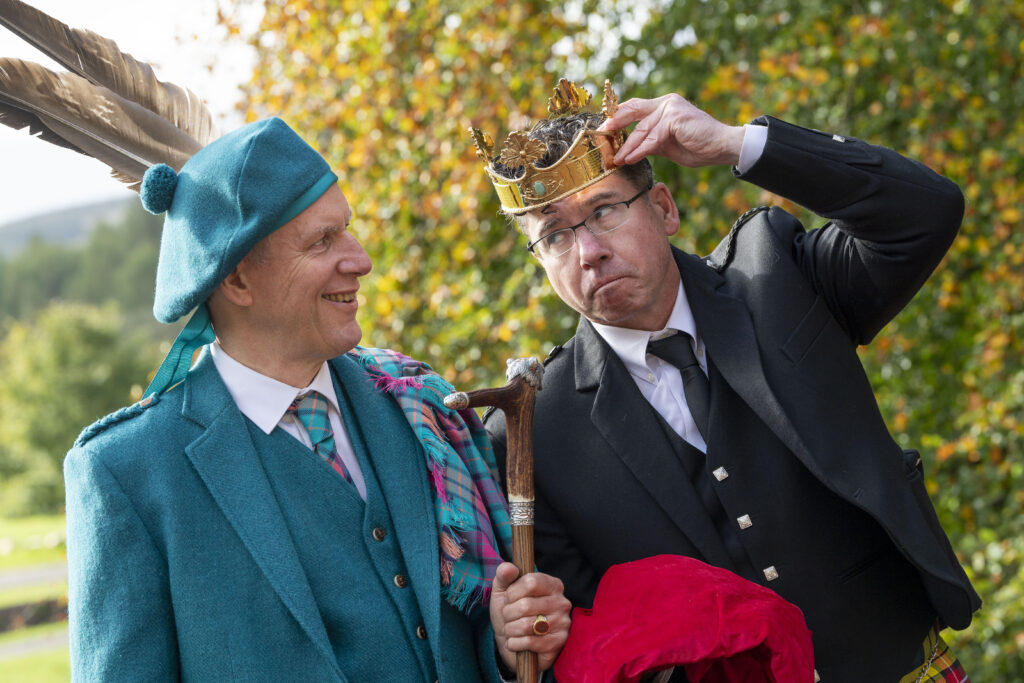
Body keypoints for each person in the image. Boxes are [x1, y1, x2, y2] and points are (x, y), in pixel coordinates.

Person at [476, 79, 979, 682]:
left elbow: (924, 211)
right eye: (555, 236)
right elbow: (583, 648)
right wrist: (515, 647)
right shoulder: (534, 431)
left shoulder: (776, 274)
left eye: (603, 211)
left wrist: (736, 143)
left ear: (664, 208)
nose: (587, 251)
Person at [64, 117, 570, 681]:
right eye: (323, 241)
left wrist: (505, 645)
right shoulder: (127, 473)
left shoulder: (415, 406)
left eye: (347, 230)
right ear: (236, 281)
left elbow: (461, 638)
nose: (360, 260)